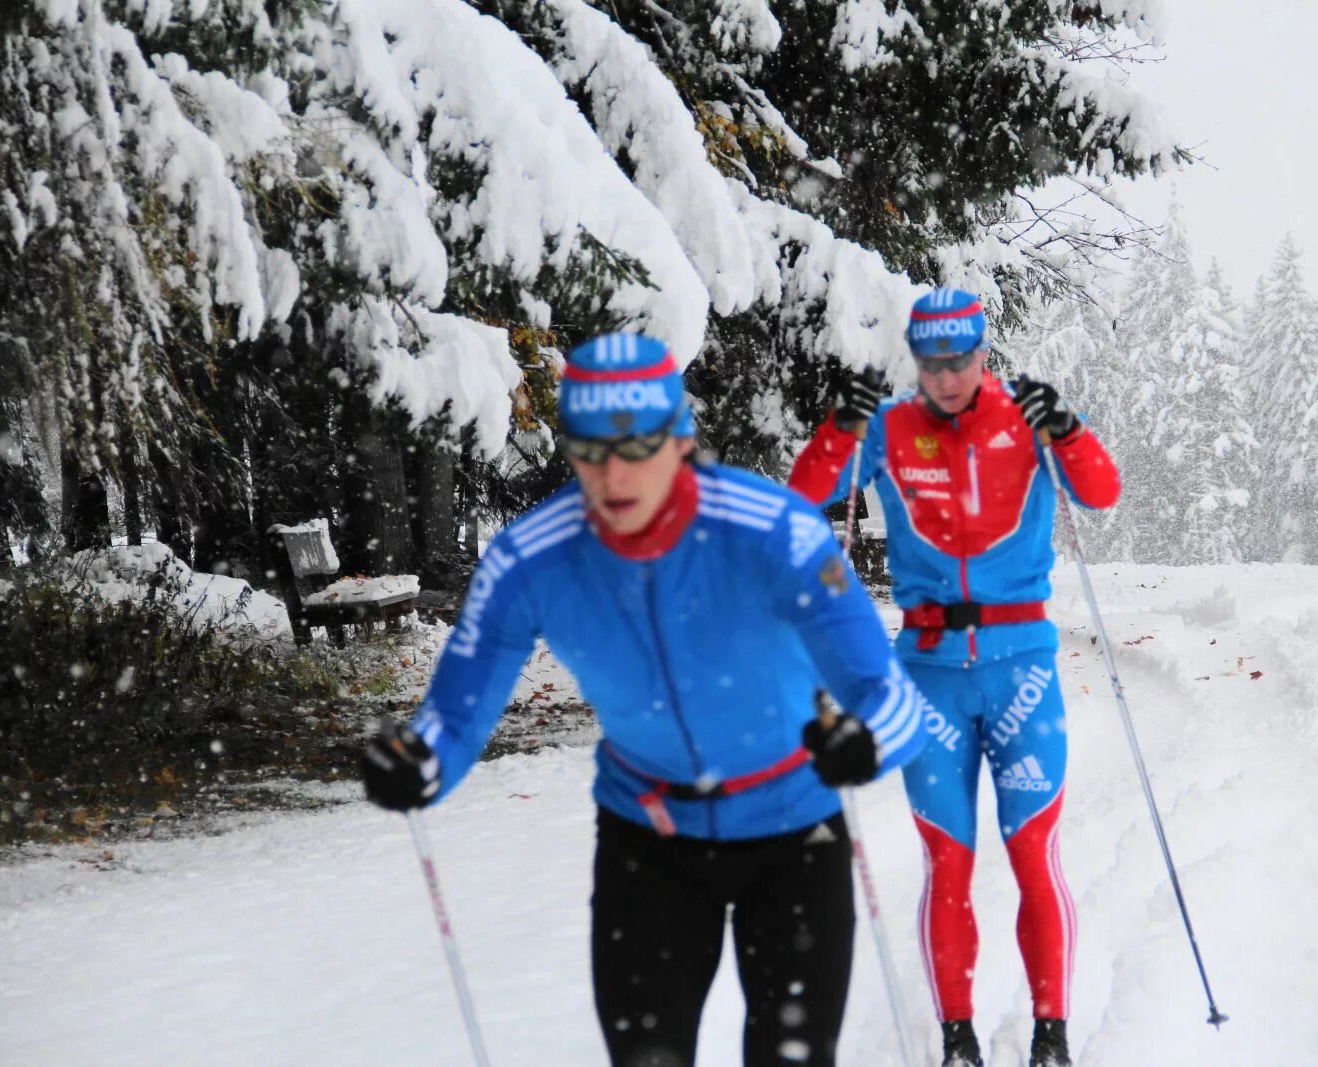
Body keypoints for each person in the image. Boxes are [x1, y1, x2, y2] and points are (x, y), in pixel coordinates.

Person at [361, 332, 929, 1067]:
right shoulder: (529, 558)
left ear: (682, 440)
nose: (613, 473)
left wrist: (865, 740)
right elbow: (455, 715)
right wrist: (420, 761)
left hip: (794, 835)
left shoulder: (775, 529)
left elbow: (891, 695)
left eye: (637, 447)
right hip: (649, 841)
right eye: (591, 449)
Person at [789, 288, 1121, 1067]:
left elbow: (1100, 493)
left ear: (983, 353)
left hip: (1022, 667)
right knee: (948, 861)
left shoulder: (1024, 417)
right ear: (917, 360)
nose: (947, 377)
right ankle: (956, 1040)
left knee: (1034, 853)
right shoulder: (892, 426)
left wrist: (1066, 430)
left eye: (961, 360)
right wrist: (840, 426)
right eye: (931, 362)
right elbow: (804, 498)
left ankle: (1052, 1036)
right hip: (928, 671)